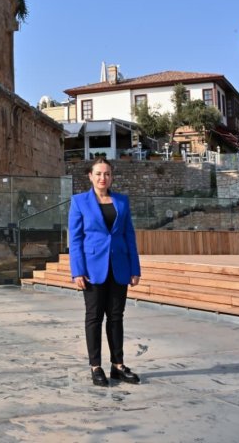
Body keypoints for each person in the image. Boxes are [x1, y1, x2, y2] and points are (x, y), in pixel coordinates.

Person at [68, 157, 141, 387]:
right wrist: (77, 270)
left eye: (107, 174)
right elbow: (76, 238)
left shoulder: (121, 201)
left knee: (116, 317)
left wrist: (134, 268)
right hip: (92, 269)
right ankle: (96, 366)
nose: (103, 178)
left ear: (112, 177)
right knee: (94, 317)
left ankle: (118, 366)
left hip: (119, 267)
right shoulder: (79, 202)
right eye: (98, 174)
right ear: (90, 176)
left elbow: (129, 235)